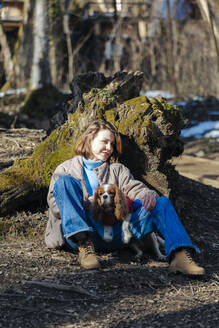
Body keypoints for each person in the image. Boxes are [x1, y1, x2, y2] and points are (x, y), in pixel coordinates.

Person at [45, 120, 205, 275]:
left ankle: (180, 256)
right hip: (82, 235)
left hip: (117, 232)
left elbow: (134, 188)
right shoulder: (66, 169)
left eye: (112, 144)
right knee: (65, 182)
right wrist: (88, 204)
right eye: (104, 142)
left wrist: (147, 195)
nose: (109, 148)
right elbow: (55, 204)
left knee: (161, 202)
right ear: (90, 139)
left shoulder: (117, 170)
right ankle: (84, 246)